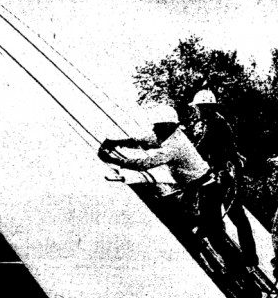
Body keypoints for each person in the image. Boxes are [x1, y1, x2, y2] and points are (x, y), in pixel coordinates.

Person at [98, 103, 239, 267]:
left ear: (166, 125)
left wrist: (114, 160)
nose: (154, 129)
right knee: (204, 227)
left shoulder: (173, 146)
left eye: (156, 126)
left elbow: (146, 163)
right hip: (204, 187)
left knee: (213, 235)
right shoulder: (171, 135)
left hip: (206, 190)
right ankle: (220, 256)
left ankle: (238, 271)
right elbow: (147, 141)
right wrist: (119, 142)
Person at [187, 89, 259, 270]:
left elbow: (202, 148)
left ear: (205, 108)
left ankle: (246, 260)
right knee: (234, 216)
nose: (196, 111)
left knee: (231, 216)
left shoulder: (214, 124)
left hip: (225, 178)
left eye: (198, 108)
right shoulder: (214, 122)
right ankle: (248, 258)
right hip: (226, 175)